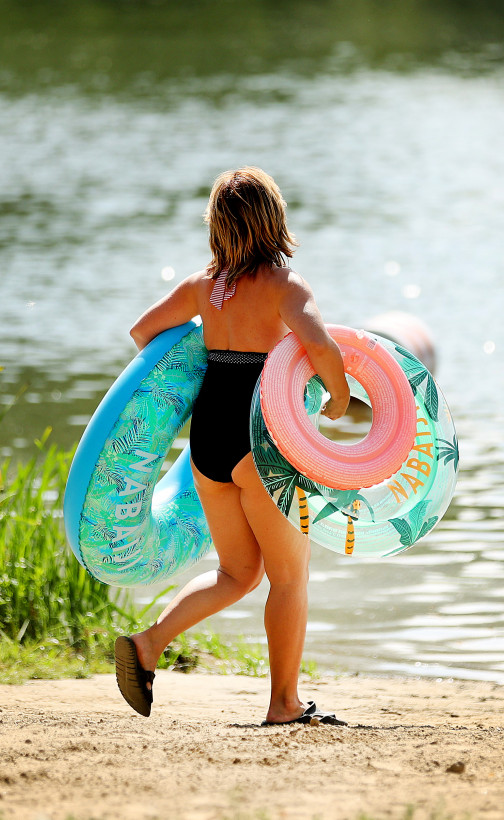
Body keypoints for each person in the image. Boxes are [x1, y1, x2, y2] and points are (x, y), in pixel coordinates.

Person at [114, 167, 350, 725]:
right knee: (290, 576)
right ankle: (284, 704)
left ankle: (148, 645)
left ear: (218, 226)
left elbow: (141, 333)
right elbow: (319, 344)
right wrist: (339, 398)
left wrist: (200, 356)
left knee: (238, 574)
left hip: (209, 441)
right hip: (258, 438)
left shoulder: (204, 286)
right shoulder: (286, 287)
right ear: (275, 219)